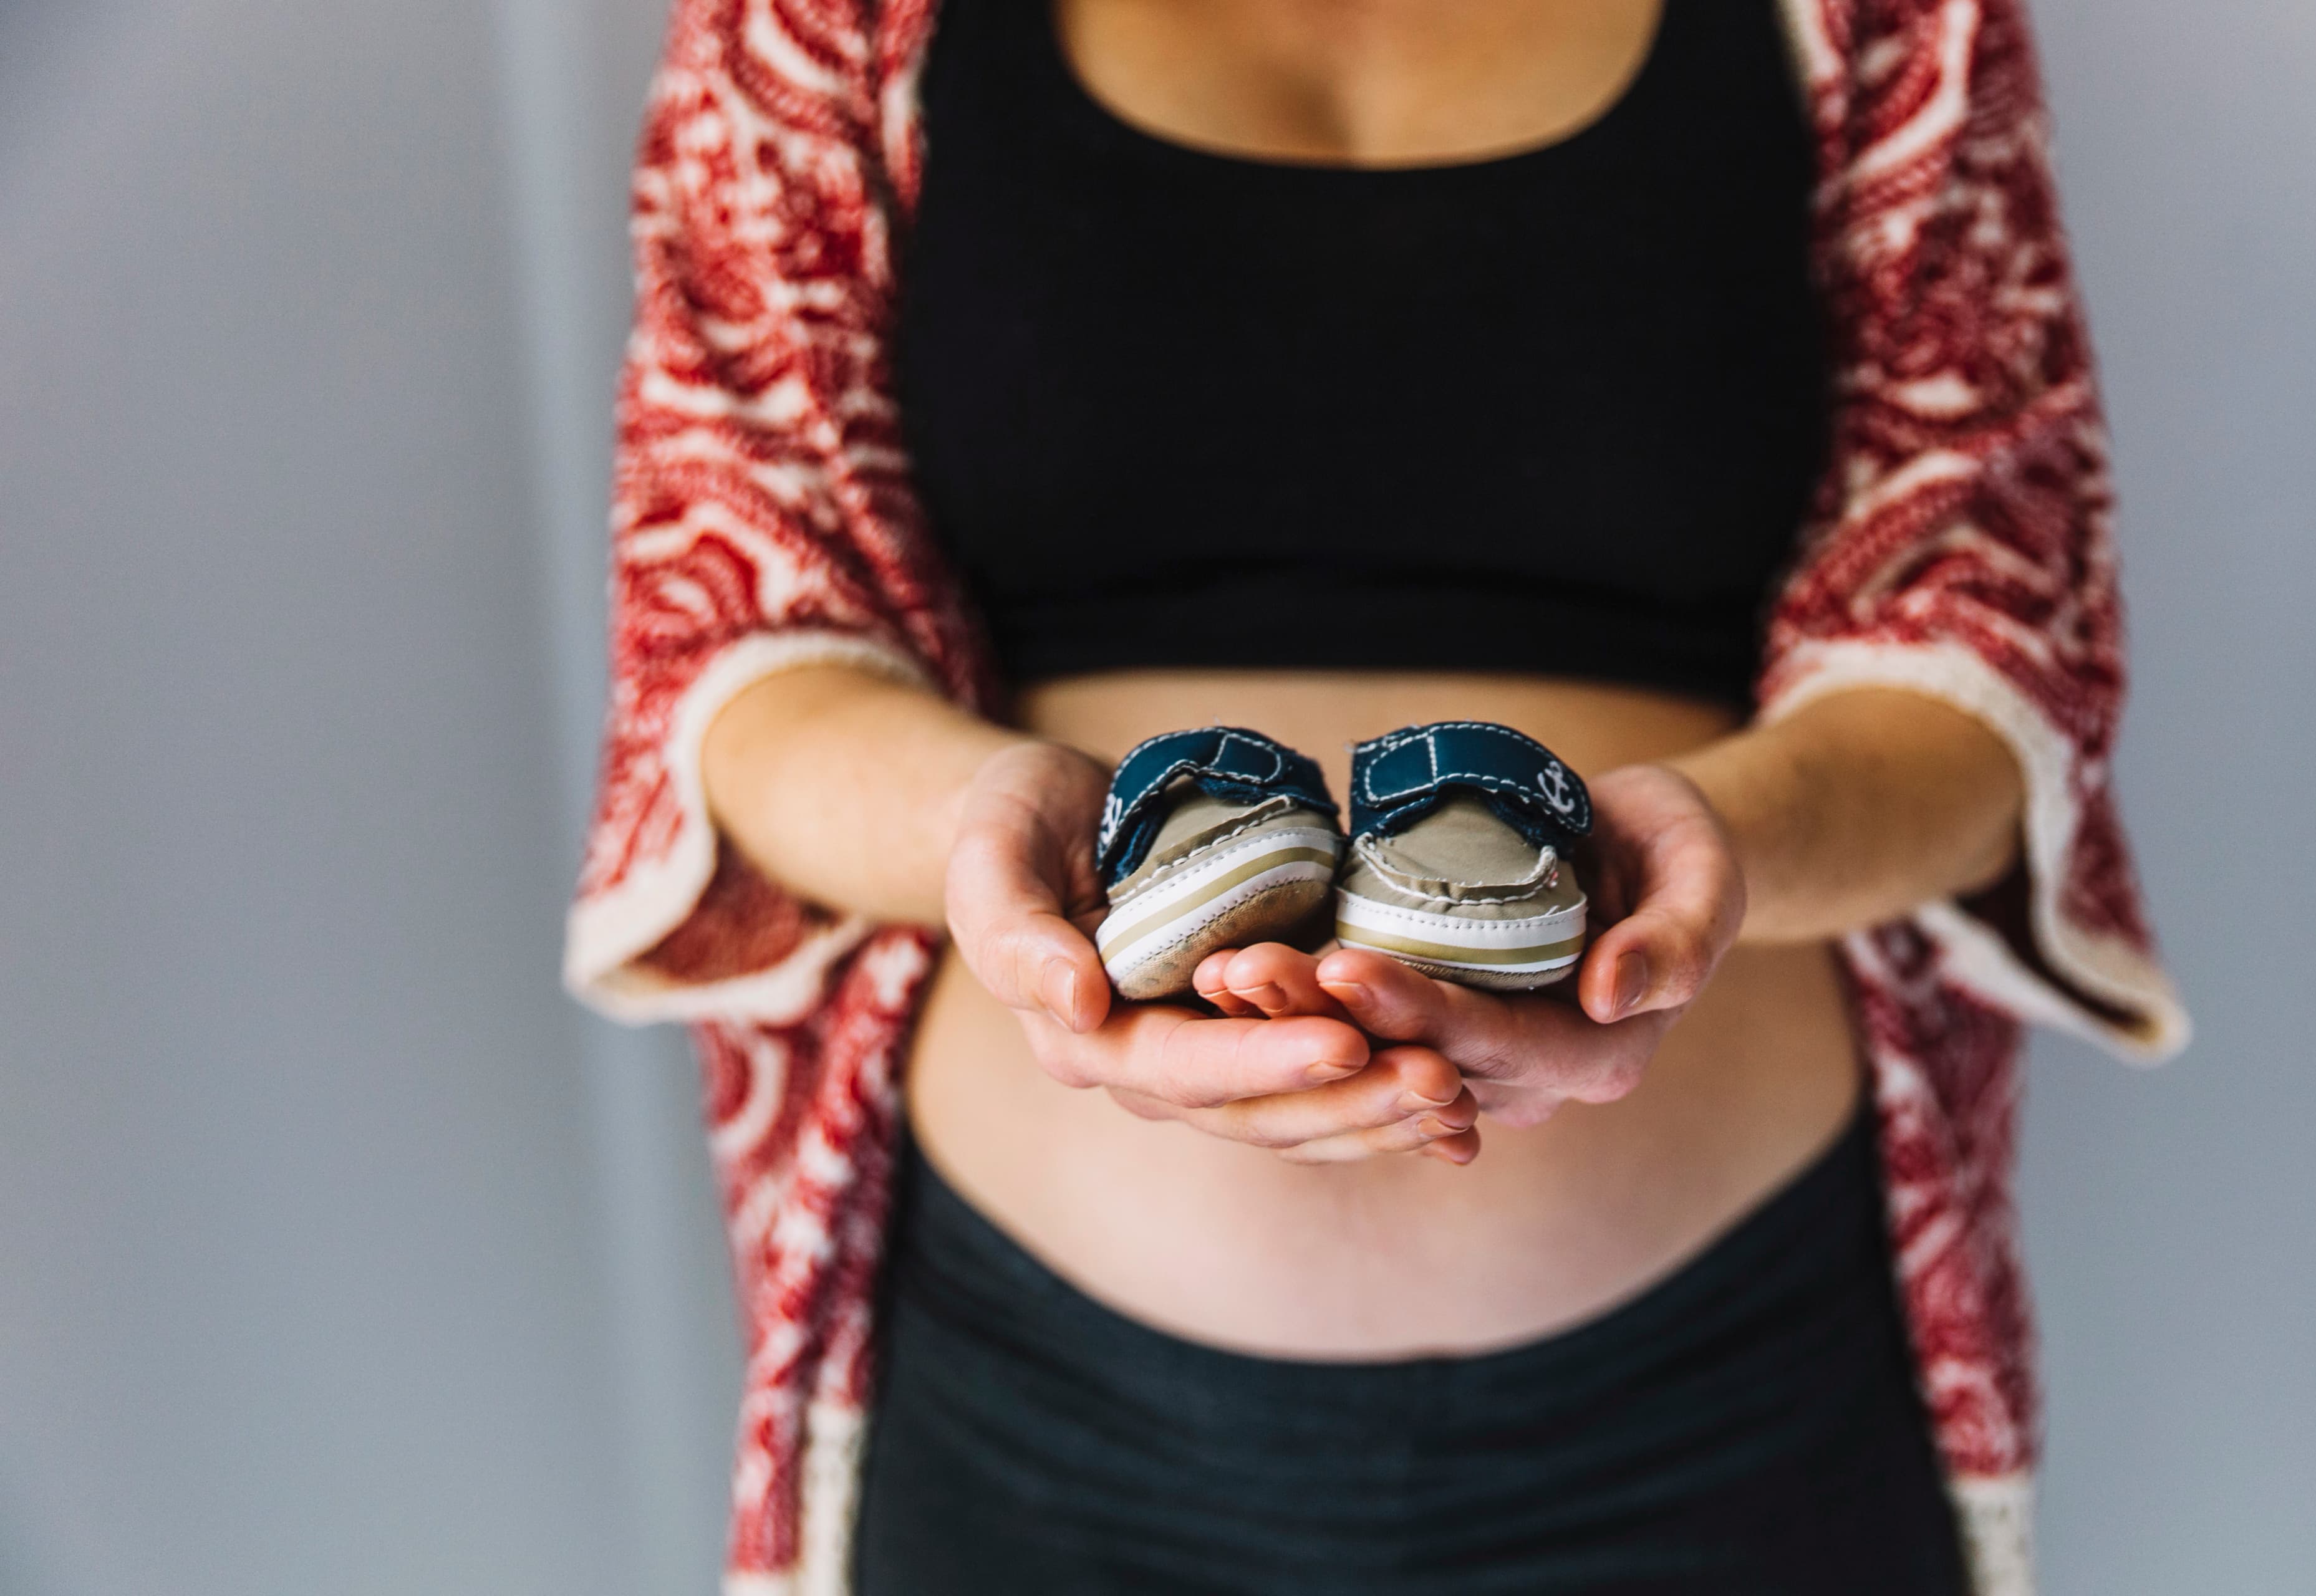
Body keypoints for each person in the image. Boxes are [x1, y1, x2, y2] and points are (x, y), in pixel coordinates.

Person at [564, 1, 2188, 1592]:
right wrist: (989, 832)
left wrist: (1713, 855)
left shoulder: (1886, 21)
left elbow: (1989, 638)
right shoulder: (820, 23)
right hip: (1033, 1414)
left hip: (1733, 1391)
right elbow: (740, 647)